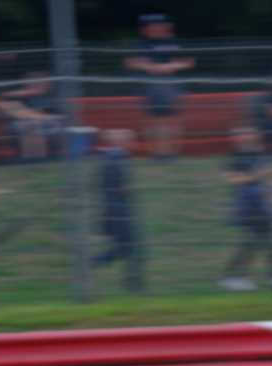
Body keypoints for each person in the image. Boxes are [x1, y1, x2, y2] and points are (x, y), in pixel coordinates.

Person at [218, 127, 272, 291]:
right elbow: (235, 180)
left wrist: (271, 196)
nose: (246, 136)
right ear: (235, 138)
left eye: (249, 133)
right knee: (251, 242)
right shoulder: (233, 158)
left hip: (263, 203)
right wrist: (257, 176)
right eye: (242, 133)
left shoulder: (261, 155)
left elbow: (268, 177)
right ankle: (233, 277)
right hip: (246, 205)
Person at [126, 14, 193, 160]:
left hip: (172, 85)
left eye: (158, 25)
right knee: (152, 120)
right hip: (149, 86)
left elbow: (189, 61)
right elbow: (130, 62)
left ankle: (172, 153)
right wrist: (149, 66)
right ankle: (155, 153)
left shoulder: (173, 42)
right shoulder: (141, 44)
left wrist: (171, 66)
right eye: (150, 26)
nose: (154, 28)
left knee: (173, 120)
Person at [91, 128, 143, 292]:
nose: (132, 143)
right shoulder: (118, 159)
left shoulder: (107, 158)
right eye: (130, 140)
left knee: (127, 248)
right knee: (131, 247)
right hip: (119, 211)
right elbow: (122, 188)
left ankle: (94, 263)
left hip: (111, 210)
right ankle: (93, 262)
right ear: (121, 142)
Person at [0, 70, 61, 163]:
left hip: (49, 125)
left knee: (35, 124)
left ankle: (38, 160)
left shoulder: (52, 97)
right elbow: (3, 101)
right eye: (34, 80)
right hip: (21, 126)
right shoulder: (19, 96)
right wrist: (28, 93)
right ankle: (34, 160)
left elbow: (56, 116)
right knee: (30, 125)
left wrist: (38, 117)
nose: (38, 83)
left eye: (41, 80)